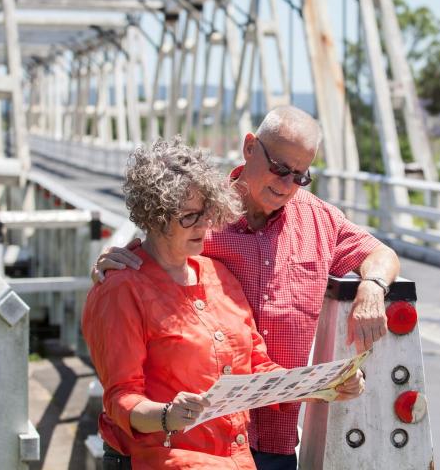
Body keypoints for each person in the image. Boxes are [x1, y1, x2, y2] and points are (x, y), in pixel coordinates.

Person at [93, 106, 399, 470]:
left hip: (272, 438)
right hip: (185, 443)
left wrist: (372, 287)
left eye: (300, 177)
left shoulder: (320, 220)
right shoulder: (196, 207)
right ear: (250, 147)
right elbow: (151, 257)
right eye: (280, 169)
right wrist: (111, 268)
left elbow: (380, 254)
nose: (287, 185)